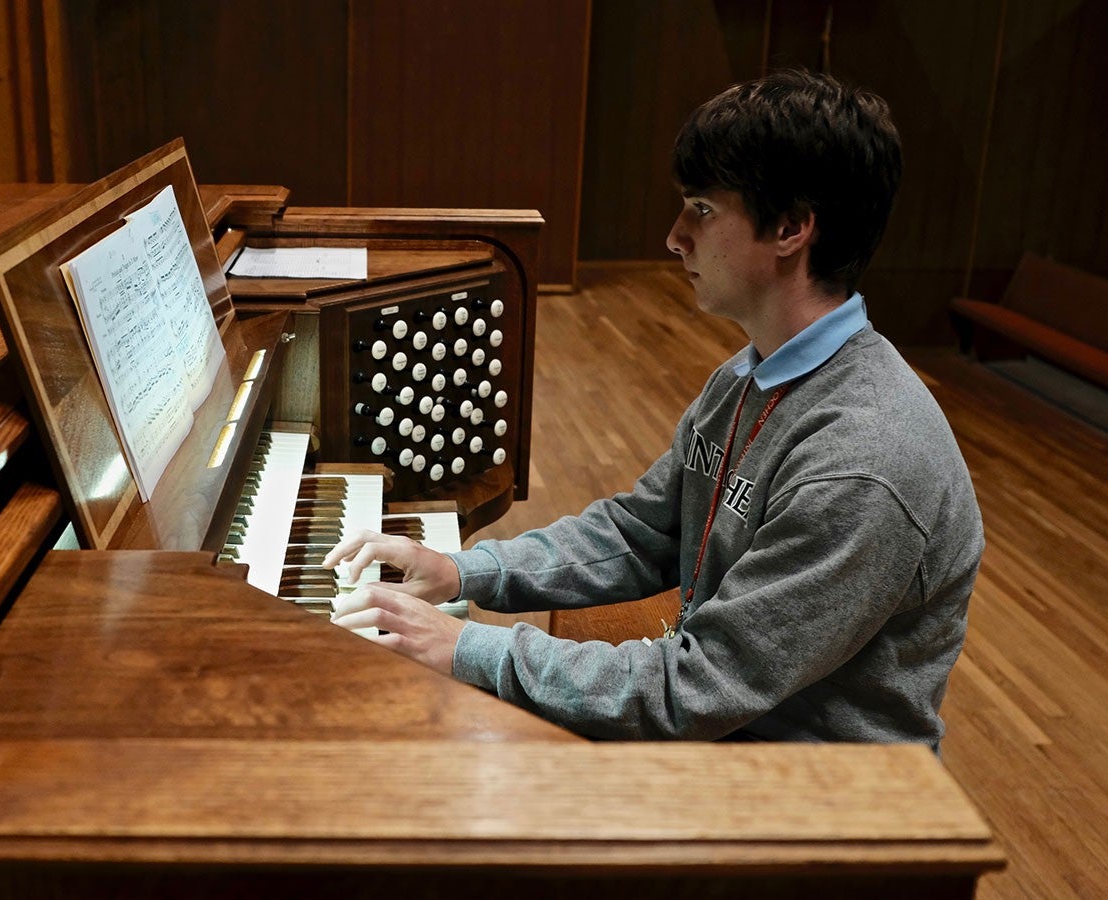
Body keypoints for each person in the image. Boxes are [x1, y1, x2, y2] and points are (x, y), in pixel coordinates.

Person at [322, 69, 982, 750]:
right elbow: (641, 533)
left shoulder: (863, 464)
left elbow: (697, 688)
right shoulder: (749, 375)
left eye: (701, 209)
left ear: (790, 228)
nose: (674, 236)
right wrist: (463, 571)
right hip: (727, 731)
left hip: (811, 786)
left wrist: (466, 648)